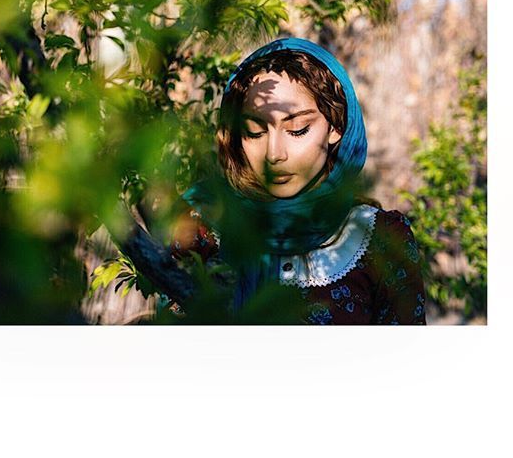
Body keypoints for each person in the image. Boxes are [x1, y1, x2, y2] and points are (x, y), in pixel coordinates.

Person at [168, 37, 426, 324]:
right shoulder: (203, 226)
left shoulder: (379, 238)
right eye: (254, 132)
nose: (275, 154)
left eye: (298, 129)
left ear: (336, 126)